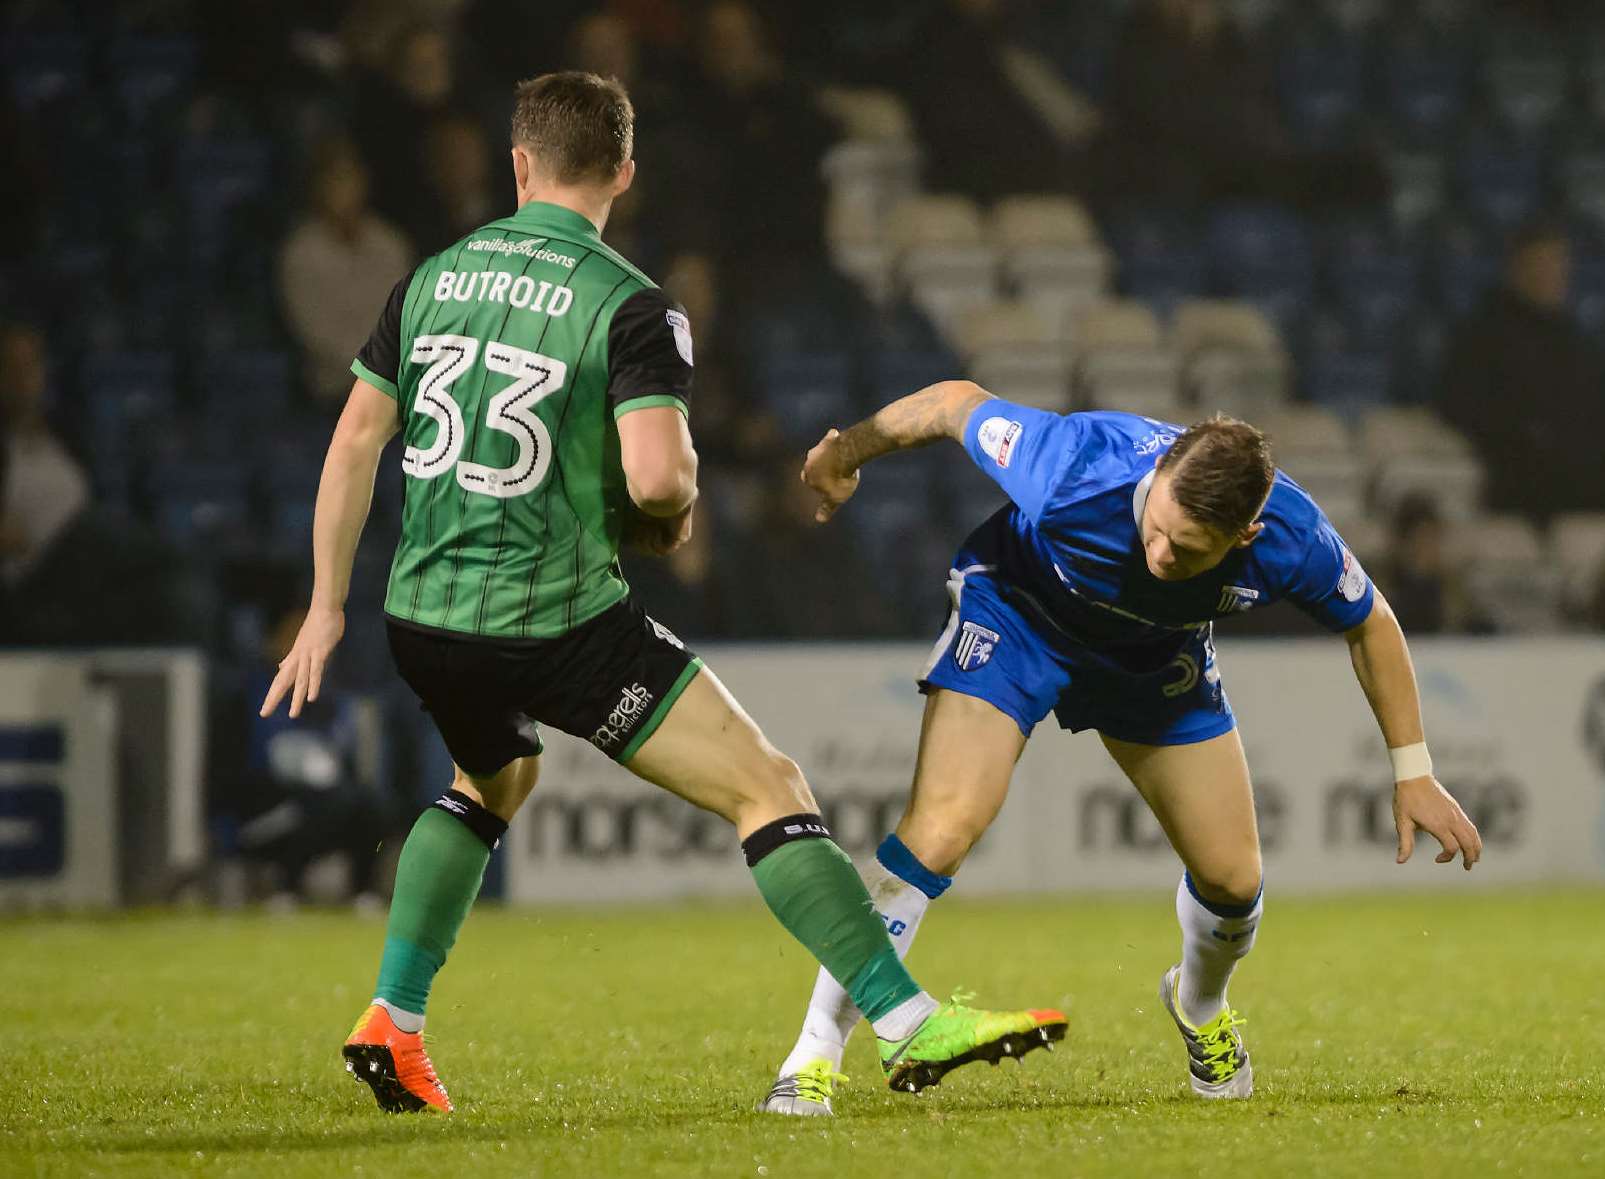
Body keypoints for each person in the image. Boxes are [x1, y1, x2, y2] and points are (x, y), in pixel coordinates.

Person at [259, 72, 1064, 1115]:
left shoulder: (430, 277)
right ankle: (909, 1023)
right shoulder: (633, 305)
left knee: (491, 781)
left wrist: (326, 605)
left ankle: (394, 1021)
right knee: (766, 787)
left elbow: (358, 438)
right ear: (625, 172)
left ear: (518, 164)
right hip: (556, 622)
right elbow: (656, 481)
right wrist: (673, 506)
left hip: (422, 617)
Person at [758, 382, 1483, 1116]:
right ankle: (812, 1052)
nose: (1158, 550)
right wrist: (843, 452)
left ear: (1244, 539)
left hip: (1151, 658)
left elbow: (1370, 622)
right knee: (941, 827)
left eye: (1186, 549)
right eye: (1157, 524)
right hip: (1018, 615)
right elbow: (951, 405)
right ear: (1159, 470)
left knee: (1232, 879)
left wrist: (1412, 771)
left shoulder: (1291, 537)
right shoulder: (1073, 466)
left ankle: (1199, 1006)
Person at [1435, 220, 1605, 522]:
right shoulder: (1482, 334)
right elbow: (1463, 405)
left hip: (1581, 470)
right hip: (1517, 474)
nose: (1553, 275)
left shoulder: (1575, 338)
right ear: (1517, 267)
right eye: (1543, 265)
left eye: (1558, 264)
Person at [278, 139, 414, 404]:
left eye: (348, 178)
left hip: (391, 389)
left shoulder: (389, 242)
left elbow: (404, 314)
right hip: (330, 391)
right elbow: (313, 330)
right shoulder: (300, 252)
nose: (341, 189)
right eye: (332, 179)